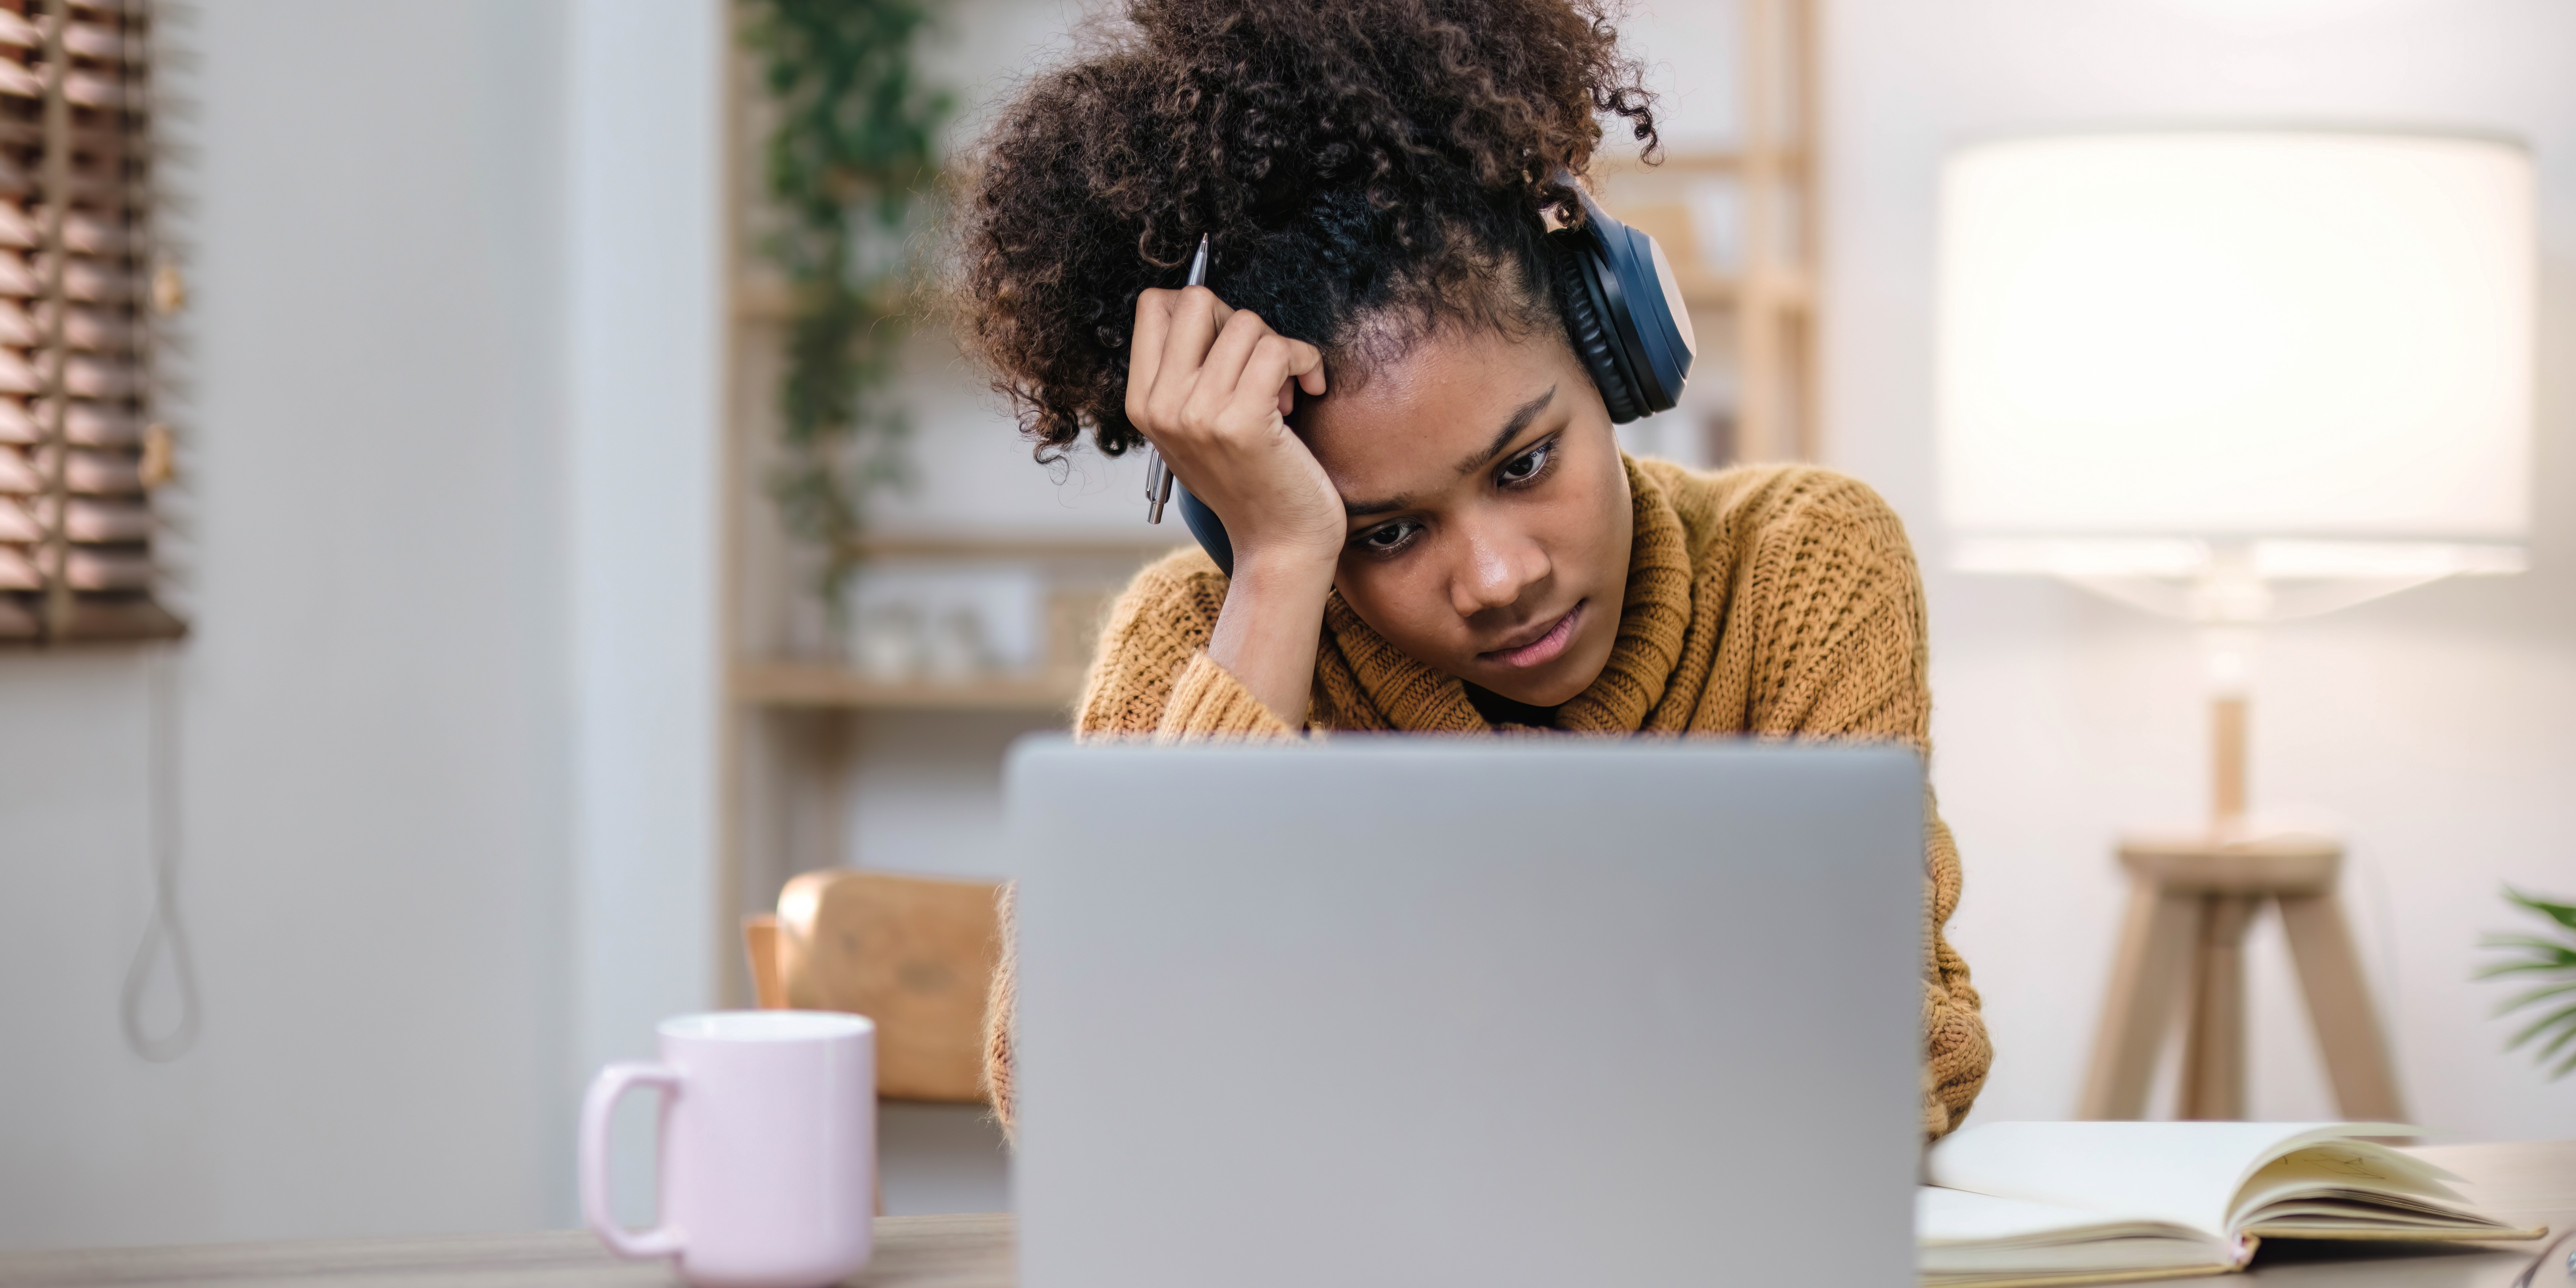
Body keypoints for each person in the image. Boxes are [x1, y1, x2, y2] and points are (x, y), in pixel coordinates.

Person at [953, 0, 1990, 1139]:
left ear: (1618, 353)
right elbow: (1079, 1106)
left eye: (1527, 461)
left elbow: (1905, 1047)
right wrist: (1283, 572)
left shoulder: (1801, 565)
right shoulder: (1205, 640)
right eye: (1385, 531)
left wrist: (1344, 1037)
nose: (1497, 578)